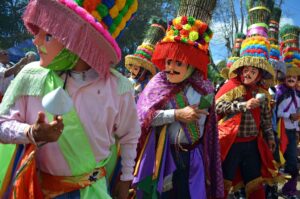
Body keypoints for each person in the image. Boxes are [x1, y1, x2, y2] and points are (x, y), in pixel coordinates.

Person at [0, 0, 140, 198]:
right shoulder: (30, 75)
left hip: (94, 191)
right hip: (38, 190)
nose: (35, 41)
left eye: (48, 35)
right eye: (38, 32)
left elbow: (130, 135)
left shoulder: (117, 86)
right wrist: (31, 132)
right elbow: (2, 123)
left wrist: (126, 179)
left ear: (79, 43)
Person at [133, 13, 224, 199]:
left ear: (191, 64)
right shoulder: (158, 83)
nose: (170, 68)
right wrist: (176, 114)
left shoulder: (205, 88)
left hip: (194, 156)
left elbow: (206, 117)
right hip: (164, 156)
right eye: (168, 61)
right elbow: (142, 117)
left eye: (178, 63)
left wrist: (200, 109)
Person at [216, 35, 283, 199]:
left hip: (252, 145)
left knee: (255, 183)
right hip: (231, 144)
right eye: (246, 70)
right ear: (240, 70)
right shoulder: (231, 86)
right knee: (223, 183)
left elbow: (266, 119)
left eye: (253, 72)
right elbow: (217, 106)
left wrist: (270, 137)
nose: (248, 74)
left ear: (259, 76)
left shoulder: (262, 93)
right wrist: (242, 106)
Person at [125, 17, 166, 101]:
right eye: (132, 66)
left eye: (136, 68)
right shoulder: (125, 81)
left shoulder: (151, 86)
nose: (132, 70)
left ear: (144, 71)